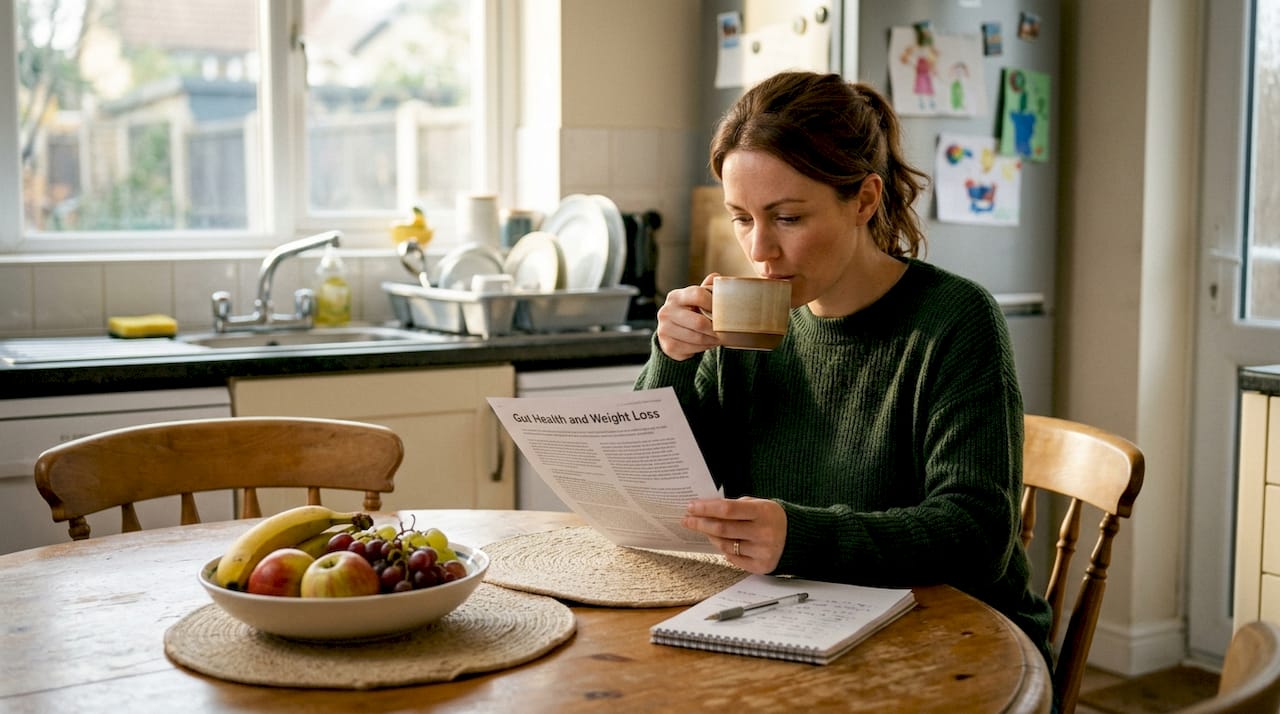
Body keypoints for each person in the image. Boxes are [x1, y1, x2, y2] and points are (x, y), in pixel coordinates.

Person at [635, 71, 1055, 676]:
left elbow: (977, 535)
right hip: (799, 620)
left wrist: (800, 536)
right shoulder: (746, 320)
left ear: (864, 199)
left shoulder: (955, 320)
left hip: (959, 637)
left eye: (786, 218)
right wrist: (671, 361)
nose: (758, 251)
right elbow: (662, 498)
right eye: (742, 218)